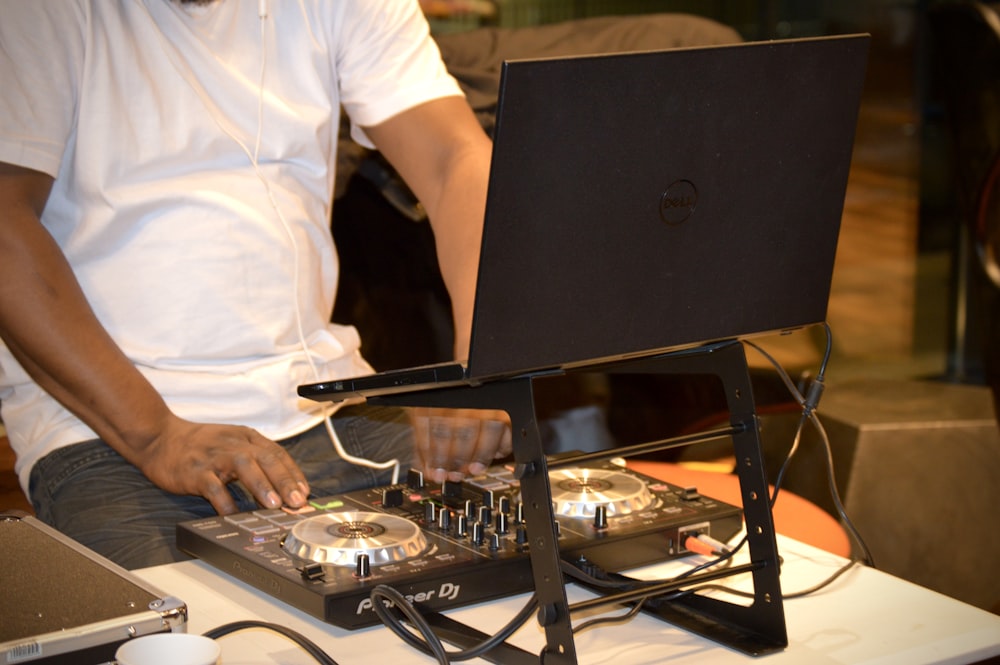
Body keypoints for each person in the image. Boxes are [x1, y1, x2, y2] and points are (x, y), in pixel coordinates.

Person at [0, 0, 510, 569]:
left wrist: (485, 370)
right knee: (190, 642)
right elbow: (4, 222)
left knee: (522, 573)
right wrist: (155, 436)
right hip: (114, 429)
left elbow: (456, 159)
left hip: (334, 406)